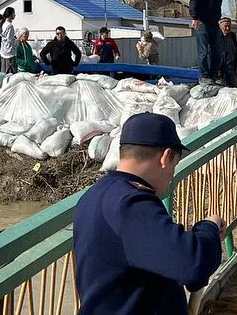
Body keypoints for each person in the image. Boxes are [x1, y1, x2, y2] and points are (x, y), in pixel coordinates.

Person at [73, 113, 222, 315]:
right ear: (165, 157)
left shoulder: (96, 194)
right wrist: (209, 229)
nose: (171, 176)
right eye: (174, 166)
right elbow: (193, 264)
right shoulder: (130, 205)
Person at [188, 0, 232, 82]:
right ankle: (204, 76)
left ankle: (213, 75)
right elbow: (193, 2)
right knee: (203, 51)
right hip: (203, 23)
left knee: (217, 50)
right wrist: (195, 18)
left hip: (214, 23)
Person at [219, 18, 237, 88]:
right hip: (220, 69)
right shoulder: (217, 36)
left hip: (231, 67)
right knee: (222, 89)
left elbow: (236, 50)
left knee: (236, 88)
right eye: (225, 26)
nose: (227, 28)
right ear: (220, 26)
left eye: (229, 26)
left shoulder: (232, 35)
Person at [0, 7, 18, 75]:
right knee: (10, 73)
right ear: (10, 15)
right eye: (13, 13)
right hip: (9, 52)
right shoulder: (10, 26)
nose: (14, 15)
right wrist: (17, 41)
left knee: (3, 72)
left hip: (3, 51)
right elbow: (10, 40)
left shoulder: (3, 24)